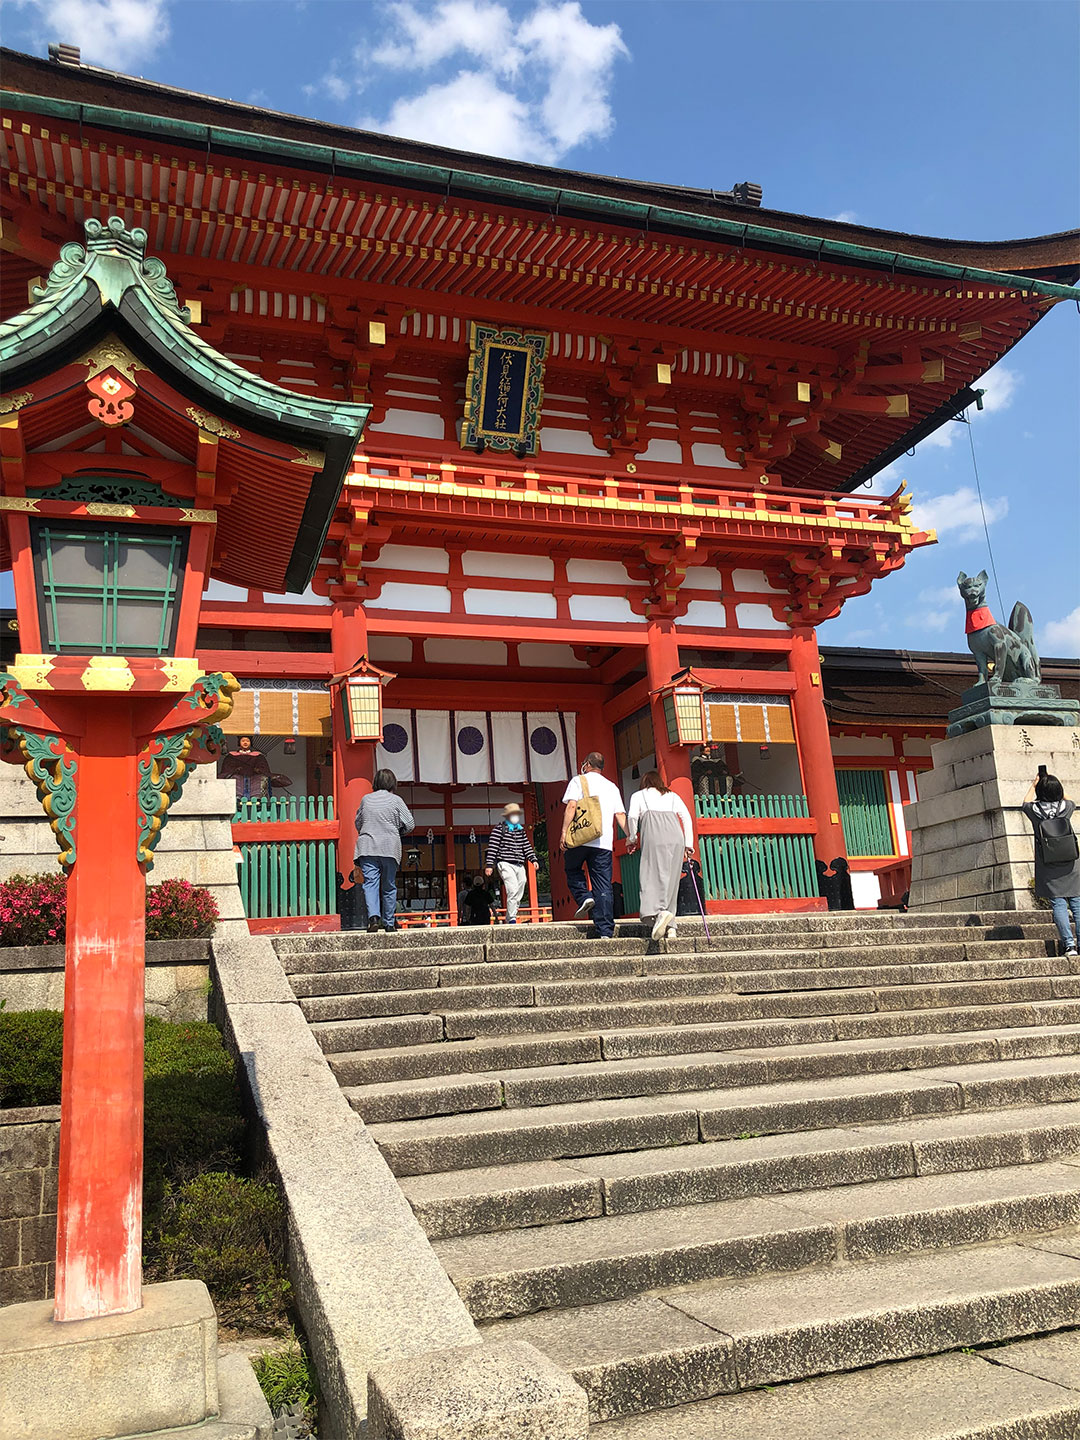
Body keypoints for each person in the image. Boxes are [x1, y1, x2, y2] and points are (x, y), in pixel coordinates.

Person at [560, 752, 626, 939]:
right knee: (603, 885)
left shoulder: (578, 781)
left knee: (572, 869)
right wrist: (631, 836)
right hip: (603, 842)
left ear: (587, 764)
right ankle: (605, 931)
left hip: (581, 837)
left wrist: (564, 832)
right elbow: (620, 815)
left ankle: (584, 896)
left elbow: (571, 806)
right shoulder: (612, 787)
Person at [627, 770, 695, 941]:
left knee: (651, 875)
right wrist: (688, 844)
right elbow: (686, 817)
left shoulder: (639, 796)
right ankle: (671, 925)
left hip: (654, 835)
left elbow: (632, 817)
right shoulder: (673, 796)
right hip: (676, 837)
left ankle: (658, 913)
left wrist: (632, 837)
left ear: (645, 783)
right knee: (672, 880)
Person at [1022, 770, 1080, 956]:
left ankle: (1069, 945)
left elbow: (1025, 803)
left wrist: (1034, 785)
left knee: (1059, 904)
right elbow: (1072, 800)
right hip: (1071, 862)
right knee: (1077, 903)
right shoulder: (1066, 807)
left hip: (1048, 863)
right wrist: (1056, 786)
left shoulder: (1035, 811)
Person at [354, 769, 414, 933]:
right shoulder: (396, 800)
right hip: (389, 846)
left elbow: (358, 822)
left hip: (368, 847)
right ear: (393, 783)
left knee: (370, 884)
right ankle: (388, 922)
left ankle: (373, 918)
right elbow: (410, 823)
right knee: (388, 885)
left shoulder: (366, 799)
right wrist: (397, 832)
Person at [485, 801, 538, 924]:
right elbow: (493, 847)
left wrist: (533, 859)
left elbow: (526, 846)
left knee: (521, 886)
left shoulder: (520, 830)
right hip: (505, 862)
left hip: (519, 863)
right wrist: (489, 865)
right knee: (512, 889)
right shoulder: (499, 829)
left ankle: (510, 915)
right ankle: (512, 918)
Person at [219, 735, 270, 800]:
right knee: (234, 778)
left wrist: (258, 769)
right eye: (243, 741)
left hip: (254, 776)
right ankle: (237, 797)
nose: (245, 743)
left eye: (247, 741)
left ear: (250, 743)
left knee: (261, 778)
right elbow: (227, 767)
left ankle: (257, 798)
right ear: (239, 742)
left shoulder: (258, 756)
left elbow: (263, 766)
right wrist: (235, 769)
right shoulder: (231, 755)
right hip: (237, 776)